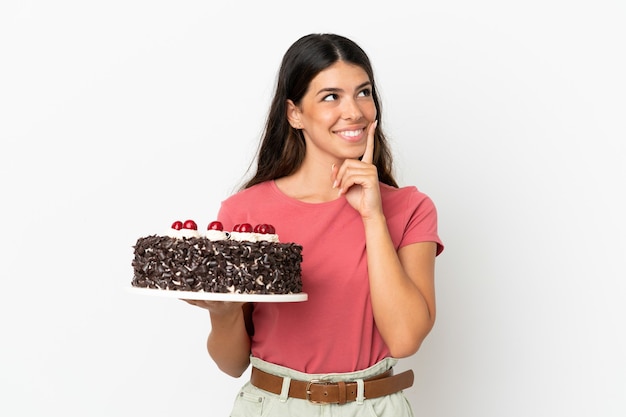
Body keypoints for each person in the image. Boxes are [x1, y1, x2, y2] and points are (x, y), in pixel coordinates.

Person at [185, 33, 444, 416]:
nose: (354, 111)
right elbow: (231, 363)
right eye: (330, 97)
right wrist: (221, 313)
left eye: (363, 92)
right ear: (295, 114)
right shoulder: (244, 213)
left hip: (373, 407)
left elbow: (405, 339)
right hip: (273, 406)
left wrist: (372, 216)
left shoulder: (408, 208)